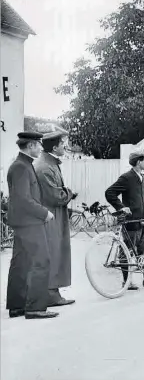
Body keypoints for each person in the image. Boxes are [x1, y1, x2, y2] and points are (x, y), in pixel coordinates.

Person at [6, 132, 58, 319]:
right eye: (38, 145)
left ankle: (17, 306)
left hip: (23, 222)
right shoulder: (21, 167)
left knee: (21, 263)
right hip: (29, 223)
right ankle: (35, 308)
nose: (41, 148)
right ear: (30, 146)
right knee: (41, 261)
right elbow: (23, 200)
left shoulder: (21, 165)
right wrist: (45, 213)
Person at [105, 150, 144, 289]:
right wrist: (121, 207)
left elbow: (138, 200)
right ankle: (126, 282)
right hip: (130, 221)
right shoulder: (127, 177)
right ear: (139, 162)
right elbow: (110, 193)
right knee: (126, 252)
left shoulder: (140, 177)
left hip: (141, 220)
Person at [34, 130, 77, 307]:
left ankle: (52, 292)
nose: (65, 147)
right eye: (63, 143)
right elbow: (55, 196)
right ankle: (50, 294)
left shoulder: (49, 163)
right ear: (54, 146)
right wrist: (69, 193)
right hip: (50, 216)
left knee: (55, 252)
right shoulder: (45, 167)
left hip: (54, 215)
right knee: (53, 253)